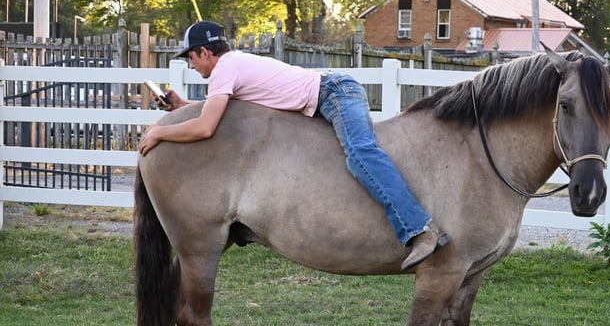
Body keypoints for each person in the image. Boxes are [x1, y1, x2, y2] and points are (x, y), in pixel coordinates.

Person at [139, 21, 450, 271]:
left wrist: (159, 134)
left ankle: (421, 230)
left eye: (190, 57)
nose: (190, 65)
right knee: (357, 155)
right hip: (328, 95)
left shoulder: (224, 70)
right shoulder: (232, 66)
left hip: (335, 92)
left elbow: (206, 127)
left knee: (360, 154)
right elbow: (216, 114)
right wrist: (182, 105)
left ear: (204, 51)